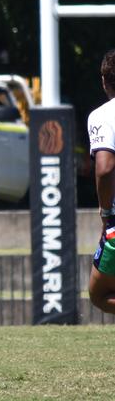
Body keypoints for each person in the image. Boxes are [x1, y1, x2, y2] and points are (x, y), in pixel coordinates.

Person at [88, 49, 115, 314]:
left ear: (105, 81)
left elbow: (105, 169)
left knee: (99, 295)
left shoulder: (103, 116)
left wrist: (106, 213)